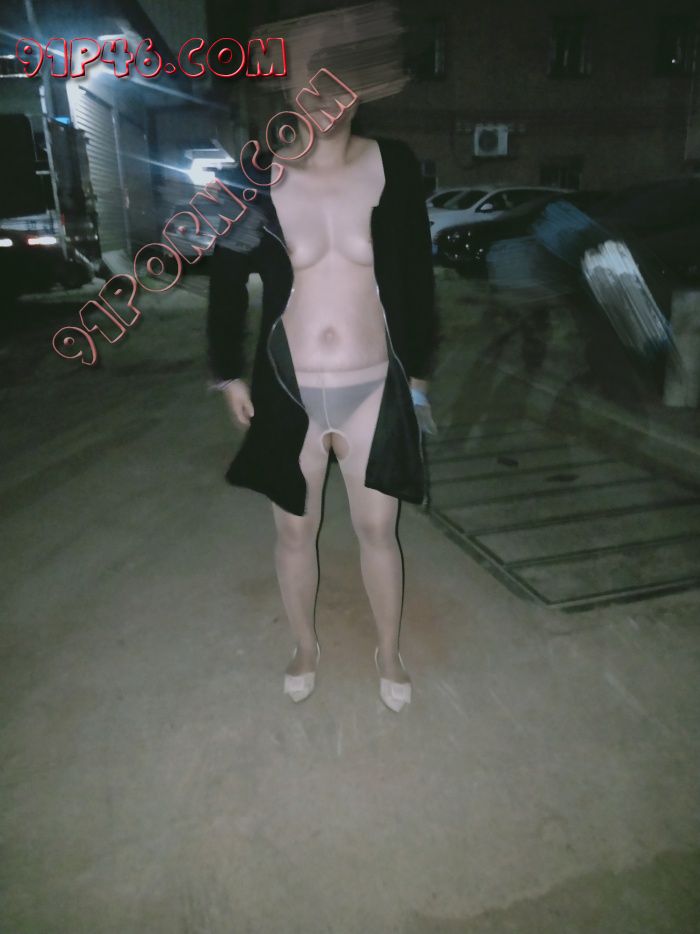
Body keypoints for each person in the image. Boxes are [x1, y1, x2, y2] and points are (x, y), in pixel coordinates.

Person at [206, 21, 438, 713]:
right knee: (292, 532)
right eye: (311, 81)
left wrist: (420, 372)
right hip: (289, 390)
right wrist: (227, 371)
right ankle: (305, 646)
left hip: (373, 387)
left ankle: (389, 652)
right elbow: (226, 280)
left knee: (378, 531)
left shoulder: (393, 164)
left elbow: (417, 276)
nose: (326, 96)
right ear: (291, 89)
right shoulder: (255, 177)